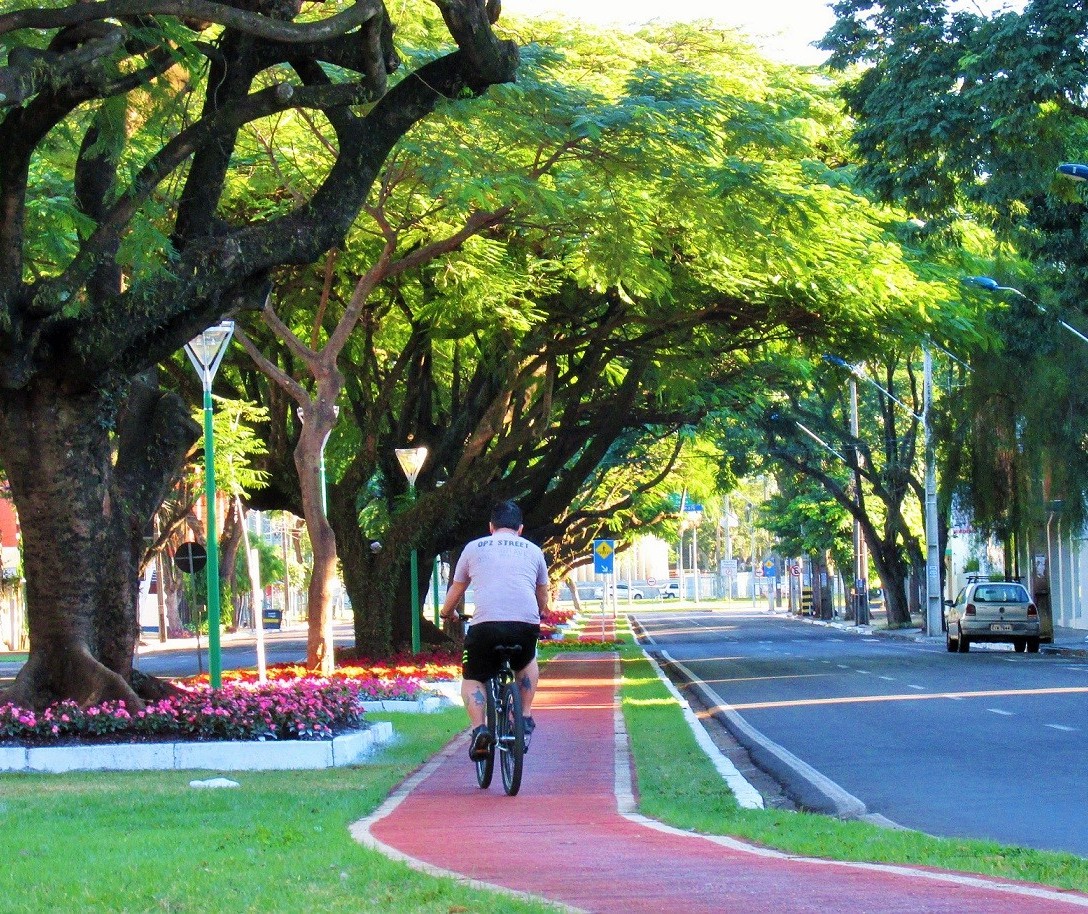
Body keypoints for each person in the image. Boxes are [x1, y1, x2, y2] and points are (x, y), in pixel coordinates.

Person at [439, 499, 549, 761]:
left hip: (485, 628)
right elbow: (542, 593)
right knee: (527, 660)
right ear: (520, 529)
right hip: (524, 626)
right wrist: (539, 612)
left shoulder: (473, 548)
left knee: (473, 676)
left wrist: (446, 613)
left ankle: (480, 730)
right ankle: (524, 716)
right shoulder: (534, 551)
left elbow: (457, 588)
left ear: (491, 526)